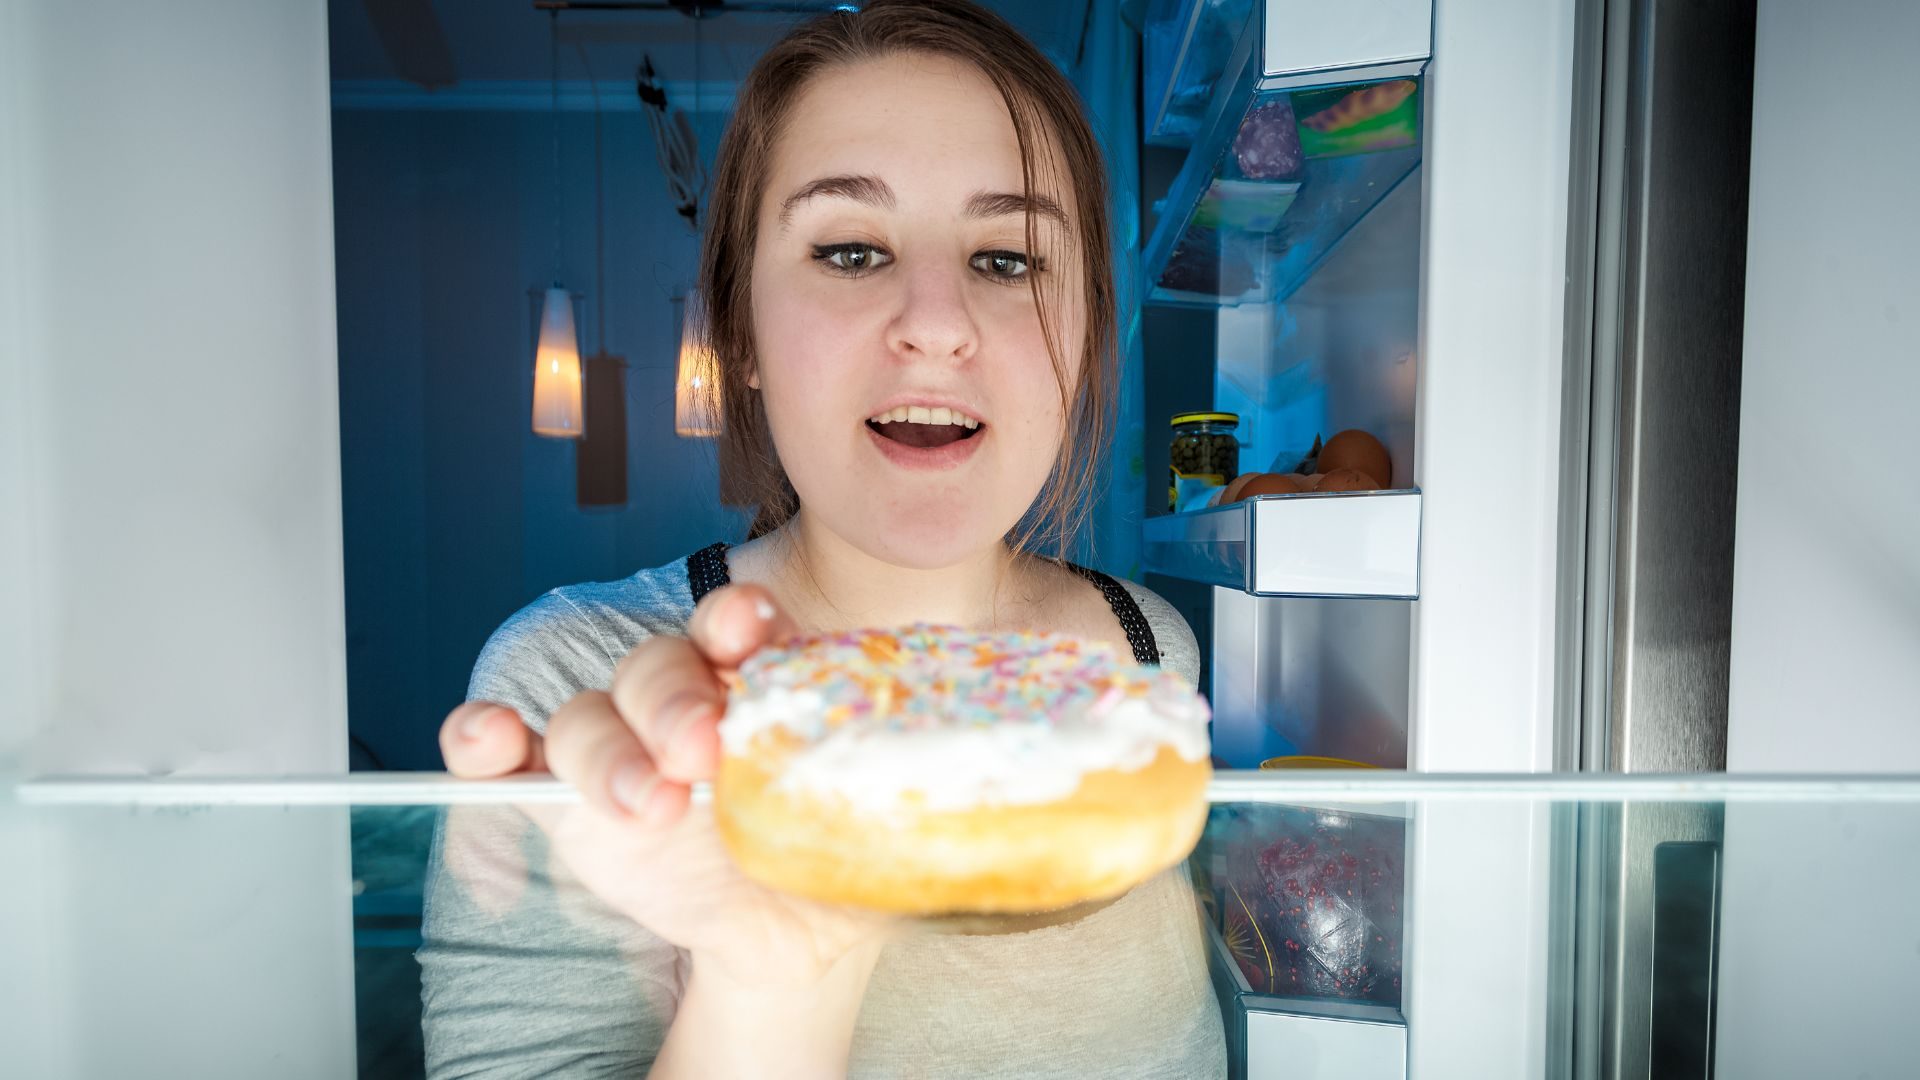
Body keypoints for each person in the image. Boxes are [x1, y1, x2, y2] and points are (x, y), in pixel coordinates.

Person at [419, 2, 1226, 1076]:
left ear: (1084, 329)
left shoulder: (1147, 651)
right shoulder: (577, 687)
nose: (937, 321)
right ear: (740, 334)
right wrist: (774, 975)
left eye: (1006, 259)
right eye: (851, 250)